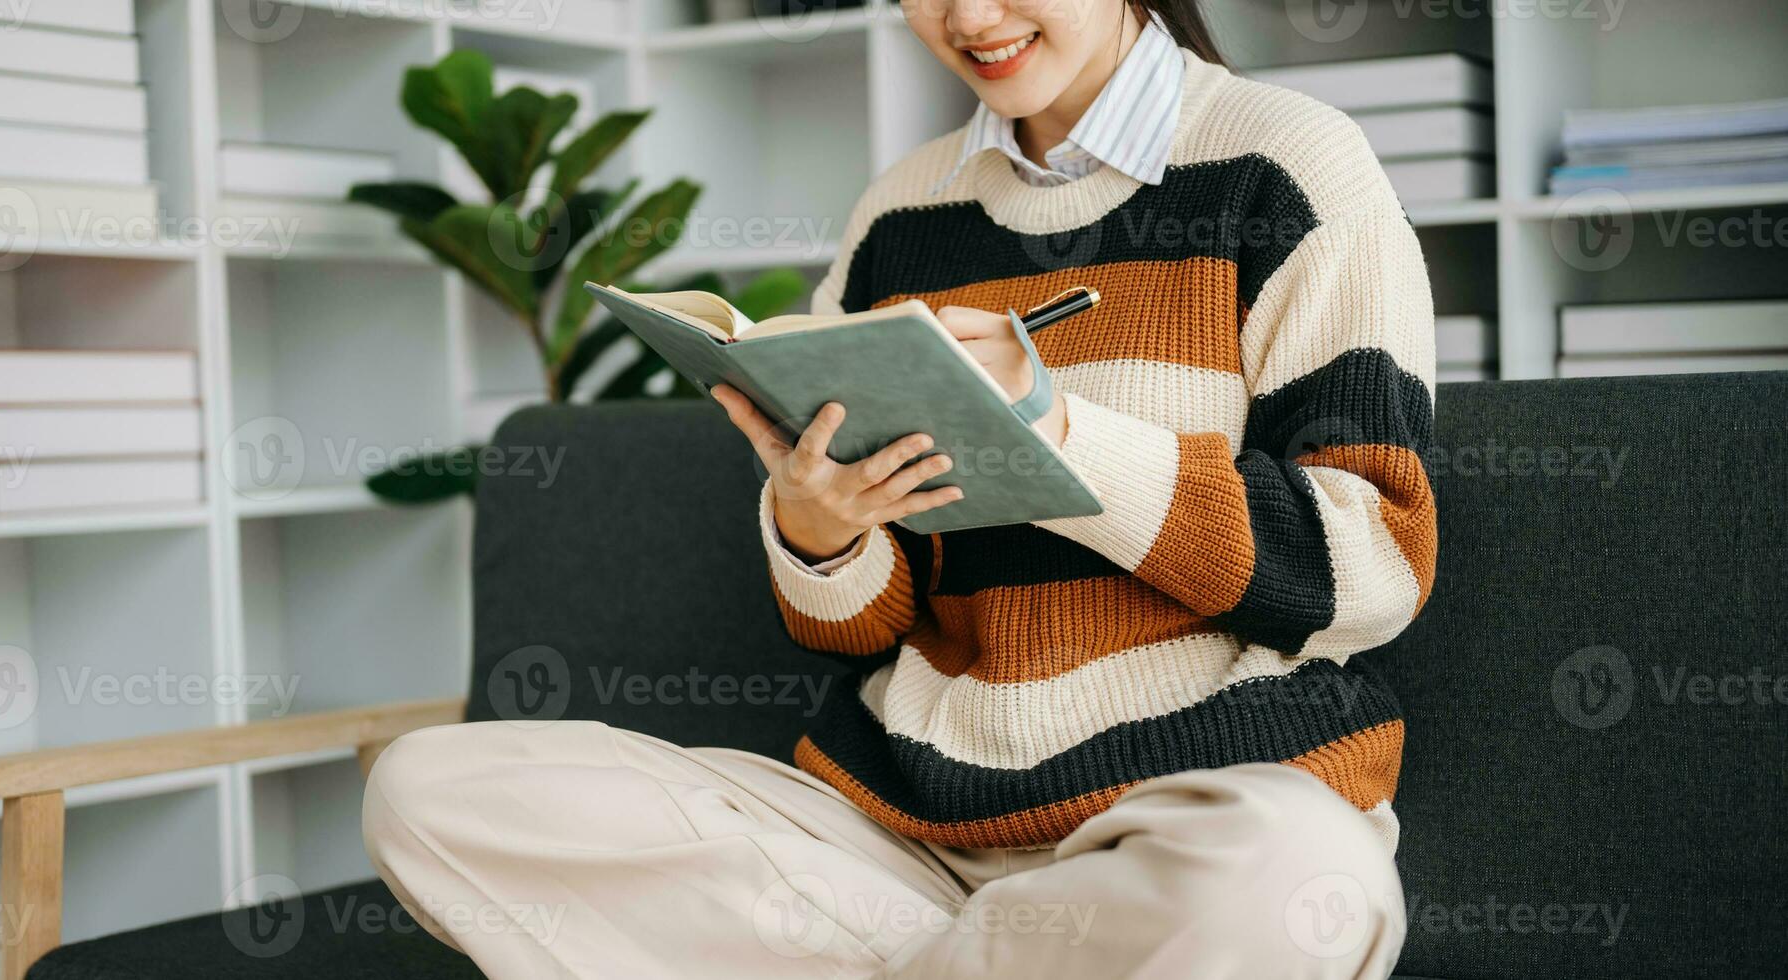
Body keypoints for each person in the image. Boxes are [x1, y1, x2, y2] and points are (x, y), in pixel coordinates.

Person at [363, 0, 1437, 975]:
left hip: (1188, 820)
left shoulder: (1291, 167)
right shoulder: (898, 216)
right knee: (426, 793)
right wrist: (817, 531)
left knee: (1299, 882)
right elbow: (859, 625)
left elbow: (1368, 566)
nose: (969, 16)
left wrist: (1053, 431)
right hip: (899, 836)